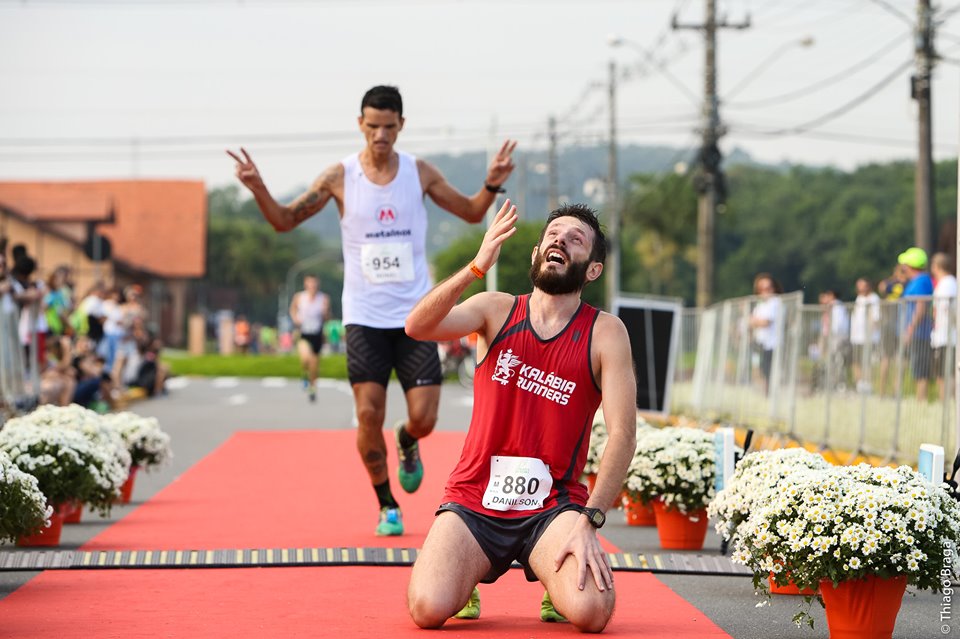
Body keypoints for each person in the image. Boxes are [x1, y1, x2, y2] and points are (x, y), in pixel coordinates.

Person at [228, 85, 517, 536]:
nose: (380, 134)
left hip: (418, 315)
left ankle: (406, 441)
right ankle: (387, 504)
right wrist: (259, 187)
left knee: (424, 418)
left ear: (401, 125)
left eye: (389, 126)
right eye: (372, 125)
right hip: (363, 316)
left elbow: (471, 211)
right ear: (359, 124)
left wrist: (492, 182)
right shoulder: (339, 177)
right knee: (368, 415)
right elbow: (284, 221)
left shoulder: (419, 174)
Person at [403, 201, 637, 632]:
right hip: (476, 498)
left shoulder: (605, 332)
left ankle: (553, 578)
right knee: (427, 608)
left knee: (591, 613)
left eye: (575, 239)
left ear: (592, 270)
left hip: (553, 505)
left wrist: (591, 521)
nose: (561, 241)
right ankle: (466, 574)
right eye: (554, 234)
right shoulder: (495, 309)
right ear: (535, 254)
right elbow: (417, 326)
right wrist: (476, 266)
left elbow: (622, 434)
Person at [898, 247, 934, 401]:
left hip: (919, 334)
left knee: (921, 370)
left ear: (910, 265)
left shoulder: (921, 281)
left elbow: (921, 307)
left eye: (904, 264)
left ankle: (921, 401)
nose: (902, 267)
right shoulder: (916, 281)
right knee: (915, 368)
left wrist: (911, 329)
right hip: (915, 332)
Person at [289, 275, 331, 403]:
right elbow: (292, 309)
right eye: (310, 284)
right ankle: (304, 375)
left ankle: (312, 388)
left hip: (317, 334)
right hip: (304, 333)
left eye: (314, 284)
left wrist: (325, 313)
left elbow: (327, 317)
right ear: (306, 285)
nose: (312, 287)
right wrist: (295, 318)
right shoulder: (299, 297)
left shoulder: (323, 298)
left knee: (314, 364)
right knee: (305, 358)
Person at [748, 273, 783, 396]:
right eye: (761, 289)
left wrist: (755, 321)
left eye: (768, 288)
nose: (765, 292)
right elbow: (752, 322)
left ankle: (771, 395)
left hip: (772, 344)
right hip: (762, 343)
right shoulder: (762, 305)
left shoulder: (775, 302)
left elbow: (765, 322)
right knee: (762, 370)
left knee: (769, 372)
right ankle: (767, 394)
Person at [930, 252, 956, 401]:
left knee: (945, 374)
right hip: (944, 336)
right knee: (942, 373)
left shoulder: (947, 284)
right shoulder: (948, 283)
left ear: (937, 266)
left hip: (946, 336)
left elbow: (947, 309)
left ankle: (947, 402)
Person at [850, 278, 881, 392]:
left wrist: (871, 331)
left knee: (867, 363)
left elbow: (876, 318)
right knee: (856, 361)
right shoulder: (859, 298)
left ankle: (868, 385)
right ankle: (859, 385)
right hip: (857, 337)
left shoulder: (874, 298)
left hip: (869, 338)